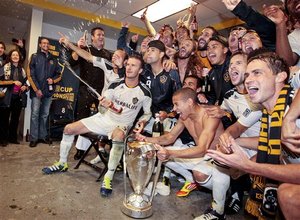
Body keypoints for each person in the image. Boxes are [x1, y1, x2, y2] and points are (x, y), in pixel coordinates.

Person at [42, 54, 152, 198]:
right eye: (128, 64)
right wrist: (104, 105)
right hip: (104, 119)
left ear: (141, 70)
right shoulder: (115, 84)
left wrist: (142, 122)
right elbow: (101, 110)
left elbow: (147, 113)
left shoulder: (144, 92)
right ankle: (63, 163)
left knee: (119, 136)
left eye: (134, 65)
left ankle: (108, 177)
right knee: (68, 129)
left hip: (121, 125)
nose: (129, 68)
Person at [207, 48, 300, 219]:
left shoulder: (293, 110)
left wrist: (250, 166)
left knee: (289, 195)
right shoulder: (267, 111)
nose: (248, 80)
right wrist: (237, 149)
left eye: (257, 73)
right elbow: (274, 144)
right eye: (248, 75)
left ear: (280, 76)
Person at [136, 88, 227, 219]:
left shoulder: (209, 115)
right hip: (202, 156)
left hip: (219, 158)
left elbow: (202, 148)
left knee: (199, 173)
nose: (174, 109)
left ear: (189, 102)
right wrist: (146, 139)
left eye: (176, 104)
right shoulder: (184, 117)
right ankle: (190, 180)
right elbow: (170, 137)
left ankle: (219, 211)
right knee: (161, 154)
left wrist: (170, 153)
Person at [205, 52, 262, 214]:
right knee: (222, 154)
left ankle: (240, 190)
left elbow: (238, 127)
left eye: (238, 63)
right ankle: (222, 205)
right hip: (243, 142)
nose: (232, 68)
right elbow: (223, 110)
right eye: (230, 65)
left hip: (263, 144)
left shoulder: (260, 94)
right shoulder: (230, 95)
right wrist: (222, 113)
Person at [69, 27, 112, 159]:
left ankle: (101, 148)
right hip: (85, 90)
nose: (101, 37)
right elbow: (72, 62)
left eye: (103, 35)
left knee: (105, 118)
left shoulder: (107, 54)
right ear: (92, 37)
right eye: (98, 35)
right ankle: (81, 150)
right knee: (83, 119)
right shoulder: (85, 50)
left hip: (102, 92)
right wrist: (78, 47)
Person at [27, 37, 63, 148]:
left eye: (47, 43)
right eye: (43, 43)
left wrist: (53, 80)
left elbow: (59, 75)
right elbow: (30, 74)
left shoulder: (54, 59)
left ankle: (43, 136)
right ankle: (34, 138)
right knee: (34, 115)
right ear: (40, 45)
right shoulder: (34, 57)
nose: (46, 45)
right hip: (36, 92)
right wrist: (36, 89)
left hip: (48, 92)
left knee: (45, 115)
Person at [0, 49, 28, 146]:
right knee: (4, 119)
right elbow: (0, 81)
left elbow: (25, 82)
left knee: (15, 119)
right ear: (10, 57)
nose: (15, 56)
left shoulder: (22, 70)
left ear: (19, 58)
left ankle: (12, 138)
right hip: (7, 97)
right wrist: (13, 82)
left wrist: (26, 87)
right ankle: (3, 139)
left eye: (17, 55)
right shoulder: (5, 67)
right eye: (13, 55)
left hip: (18, 98)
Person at [205, 35, 233, 105]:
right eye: (208, 48)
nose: (209, 51)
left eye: (214, 47)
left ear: (225, 50)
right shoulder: (211, 74)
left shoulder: (233, 66)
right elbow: (212, 97)